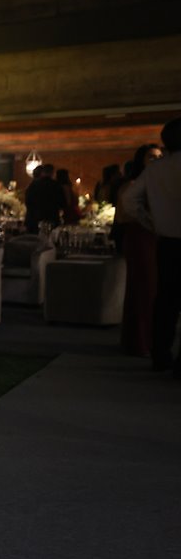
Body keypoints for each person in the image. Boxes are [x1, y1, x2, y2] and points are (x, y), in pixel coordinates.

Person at [122, 119, 181, 375]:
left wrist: (151, 221)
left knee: (165, 300)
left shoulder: (157, 169)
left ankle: (160, 355)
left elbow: (128, 199)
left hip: (167, 242)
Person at [116, 144, 163, 358]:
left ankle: (145, 339)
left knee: (153, 289)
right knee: (143, 288)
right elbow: (123, 216)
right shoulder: (132, 185)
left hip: (156, 238)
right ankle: (140, 342)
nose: (156, 160)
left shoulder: (159, 183)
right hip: (140, 237)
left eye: (160, 156)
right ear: (140, 160)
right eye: (151, 157)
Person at [24, 163, 65, 234]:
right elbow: (62, 203)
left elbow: (27, 201)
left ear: (43, 172)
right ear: (52, 173)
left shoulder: (33, 185)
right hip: (51, 219)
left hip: (33, 220)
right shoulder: (56, 185)